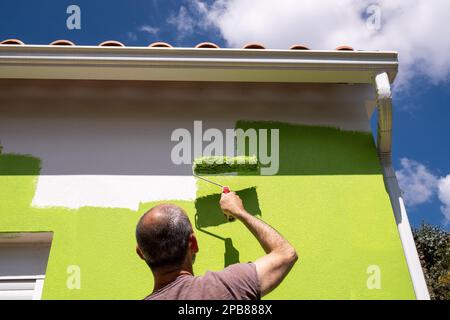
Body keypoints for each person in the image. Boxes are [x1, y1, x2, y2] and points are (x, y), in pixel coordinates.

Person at [136, 191, 298, 300]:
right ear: (193, 243)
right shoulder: (228, 286)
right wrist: (239, 212)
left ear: (141, 253)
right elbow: (286, 254)